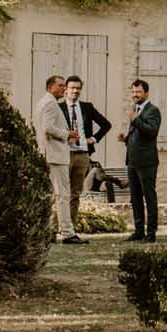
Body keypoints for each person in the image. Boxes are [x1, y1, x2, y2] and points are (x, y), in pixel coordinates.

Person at [35, 74, 82, 244]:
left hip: (49, 154)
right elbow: (48, 128)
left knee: (53, 195)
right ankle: (68, 233)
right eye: (61, 85)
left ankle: (49, 231)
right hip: (55, 155)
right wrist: (67, 134)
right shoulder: (49, 103)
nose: (64, 88)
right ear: (50, 87)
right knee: (62, 194)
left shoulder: (42, 102)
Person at [60, 76, 111, 230]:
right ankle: (56, 228)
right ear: (66, 90)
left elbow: (106, 124)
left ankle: (71, 229)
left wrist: (94, 139)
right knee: (61, 193)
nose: (75, 91)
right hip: (64, 153)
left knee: (75, 193)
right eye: (72, 88)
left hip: (82, 154)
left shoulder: (87, 107)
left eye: (78, 88)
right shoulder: (58, 107)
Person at [124, 78, 162, 241]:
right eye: (133, 91)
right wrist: (125, 138)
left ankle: (151, 233)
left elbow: (152, 131)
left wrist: (135, 119)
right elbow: (139, 134)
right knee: (135, 197)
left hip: (147, 161)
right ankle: (138, 230)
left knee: (149, 196)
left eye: (138, 91)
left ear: (146, 92)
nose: (135, 94)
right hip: (132, 160)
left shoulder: (153, 111)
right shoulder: (136, 109)